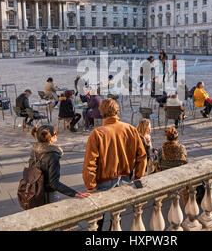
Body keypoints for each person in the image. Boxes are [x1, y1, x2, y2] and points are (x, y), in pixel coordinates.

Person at [83, 99, 147, 231]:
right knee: (116, 218)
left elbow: (90, 163)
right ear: (117, 111)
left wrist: (90, 185)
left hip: (104, 181)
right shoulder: (130, 129)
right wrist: (138, 175)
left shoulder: (97, 133)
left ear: (101, 112)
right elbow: (142, 156)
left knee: (98, 219)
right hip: (125, 178)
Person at [29, 125, 90, 204]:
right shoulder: (53, 155)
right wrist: (74, 193)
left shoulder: (34, 150)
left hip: (34, 190)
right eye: (55, 133)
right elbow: (54, 183)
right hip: (47, 194)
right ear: (52, 136)